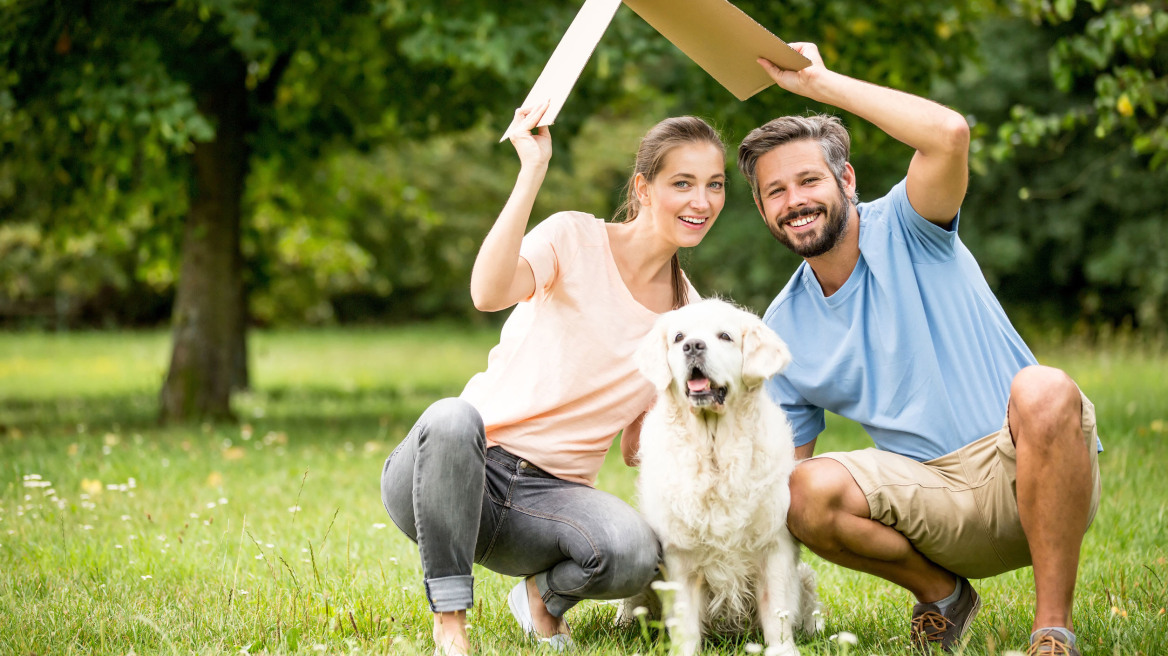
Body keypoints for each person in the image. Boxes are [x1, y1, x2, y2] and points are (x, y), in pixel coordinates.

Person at [737, 44, 1102, 656]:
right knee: (797, 488)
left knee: (1043, 387)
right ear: (761, 208)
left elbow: (949, 134)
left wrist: (819, 84)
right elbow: (786, 492)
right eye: (775, 191)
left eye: (809, 180)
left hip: (1029, 468)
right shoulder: (782, 331)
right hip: (929, 500)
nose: (794, 201)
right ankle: (942, 595)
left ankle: (1051, 632)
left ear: (846, 180)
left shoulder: (912, 224)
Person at [380, 102, 728, 656]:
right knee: (451, 417)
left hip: (550, 506)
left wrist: (708, 424)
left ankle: (540, 598)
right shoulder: (574, 237)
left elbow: (637, 447)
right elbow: (487, 293)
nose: (701, 201)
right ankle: (450, 624)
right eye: (682, 183)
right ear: (643, 188)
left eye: (715, 185)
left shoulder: (688, 320)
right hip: (458, 470)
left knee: (635, 552)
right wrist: (532, 171)